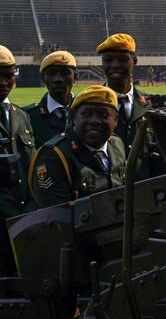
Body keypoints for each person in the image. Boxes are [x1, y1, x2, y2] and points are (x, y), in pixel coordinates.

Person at [29, 86, 126, 208]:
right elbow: (58, 215)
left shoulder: (117, 145)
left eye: (103, 114)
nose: (94, 121)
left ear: (116, 119)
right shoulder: (54, 155)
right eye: (86, 114)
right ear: (75, 118)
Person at [96, 33, 166, 179]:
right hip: (107, 193)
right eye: (108, 60)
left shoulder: (154, 105)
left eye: (122, 59)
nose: (115, 65)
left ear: (134, 60)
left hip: (146, 190)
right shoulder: (89, 108)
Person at [0, 45, 36, 276]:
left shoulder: (21, 116)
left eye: (8, 75)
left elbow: (31, 166)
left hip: (23, 220)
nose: (3, 82)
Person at [23, 51, 77, 147]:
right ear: (43, 79)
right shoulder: (26, 117)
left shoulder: (88, 113)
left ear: (75, 77)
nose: (58, 79)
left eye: (65, 73)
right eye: (51, 73)